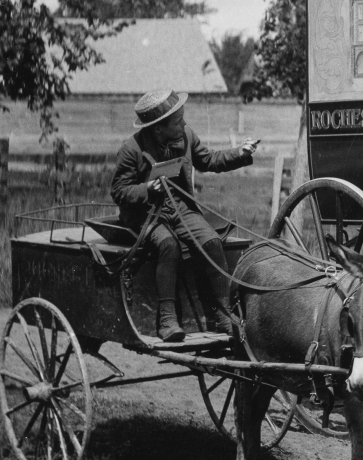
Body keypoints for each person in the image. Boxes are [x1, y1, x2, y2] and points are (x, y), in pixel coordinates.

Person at [110, 89, 260, 343]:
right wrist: (146, 189)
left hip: (180, 208)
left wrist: (240, 153)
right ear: (158, 129)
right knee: (167, 244)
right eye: (178, 121)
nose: (184, 124)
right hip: (146, 213)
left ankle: (220, 314)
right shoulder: (131, 150)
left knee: (212, 241)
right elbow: (119, 191)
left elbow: (209, 160)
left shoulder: (186, 137)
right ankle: (167, 319)